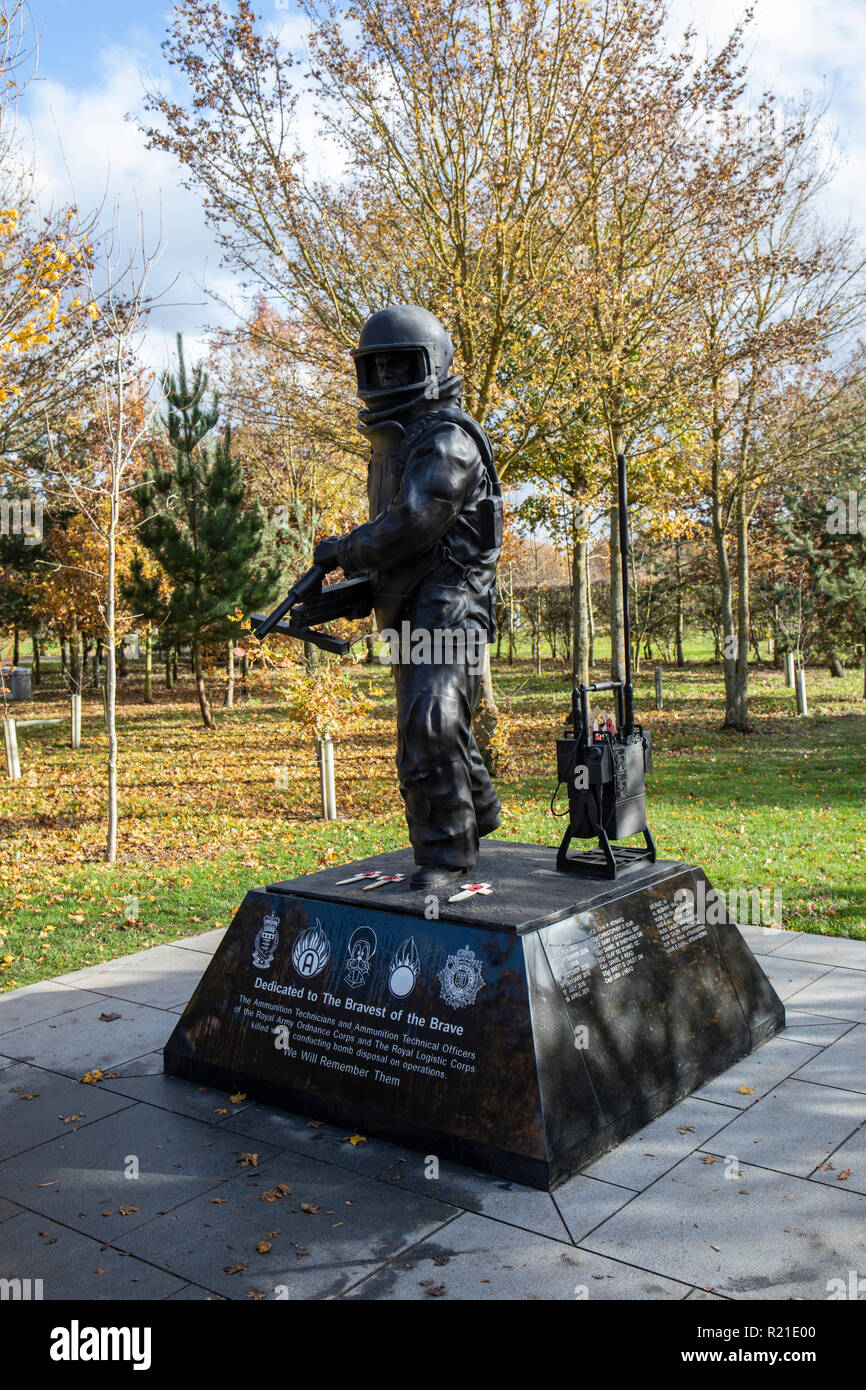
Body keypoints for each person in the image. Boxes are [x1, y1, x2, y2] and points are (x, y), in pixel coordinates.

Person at [314, 305, 502, 891]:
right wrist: (357, 589)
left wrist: (344, 549)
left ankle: (445, 855)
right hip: (411, 607)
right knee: (432, 724)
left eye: (402, 365)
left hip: (452, 607)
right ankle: (478, 811)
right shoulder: (394, 442)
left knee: (431, 721)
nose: (390, 379)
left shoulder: (448, 440)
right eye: (380, 367)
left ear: (433, 365)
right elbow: (404, 541)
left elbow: (414, 522)